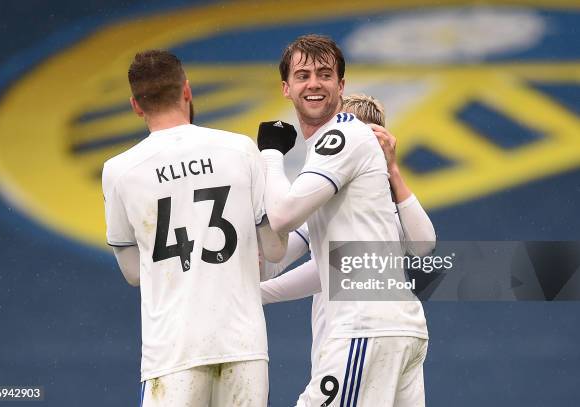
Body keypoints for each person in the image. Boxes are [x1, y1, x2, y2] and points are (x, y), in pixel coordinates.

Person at [102, 50, 286, 407]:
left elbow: (132, 272)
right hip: (242, 344)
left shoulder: (119, 170)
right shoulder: (240, 149)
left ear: (136, 106)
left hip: (172, 352)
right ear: (186, 91)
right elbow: (275, 249)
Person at [257, 35, 430, 406]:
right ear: (286, 88)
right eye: (303, 75)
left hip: (364, 329)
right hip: (394, 329)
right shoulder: (327, 170)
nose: (315, 83)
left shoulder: (342, 136)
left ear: (341, 85)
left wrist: (270, 155)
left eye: (324, 74)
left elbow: (284, 217)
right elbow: (293, 254)